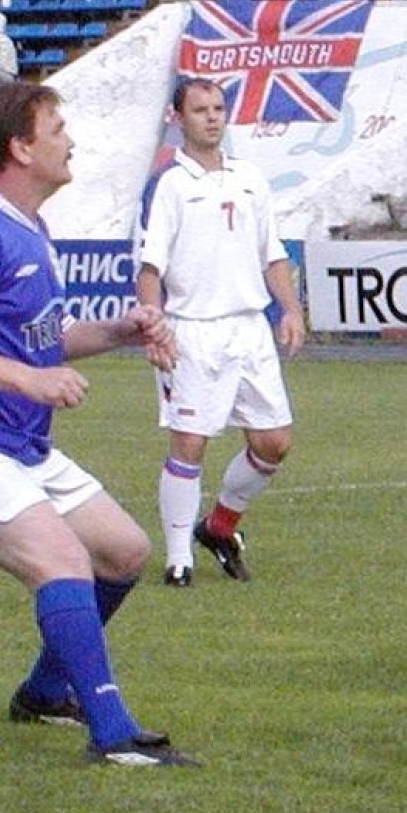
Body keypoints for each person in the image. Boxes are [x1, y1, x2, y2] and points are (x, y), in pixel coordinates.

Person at [0, 83, 192, 765]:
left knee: (124, 552)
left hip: (16, 442)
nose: (70, 140)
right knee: (62, 561)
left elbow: (44, 341)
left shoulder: (29, 228)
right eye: (57, 128)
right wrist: (27, 380)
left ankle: (44, 693)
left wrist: (119, 329)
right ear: (20, 149)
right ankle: (114, 736)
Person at [136, 79, 303, 588]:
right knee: (190, 443)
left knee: (274, 443)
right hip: (193, 331)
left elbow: (272, 253)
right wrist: (154, 327)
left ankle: (219, 527)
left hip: (249, 328)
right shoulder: (170, 184)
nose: (212, 117)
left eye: (218, 108)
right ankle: (178, 560)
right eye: (200, 109)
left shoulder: (250, 178)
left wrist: (290, 309)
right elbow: (150, 267)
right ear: (177, 118)